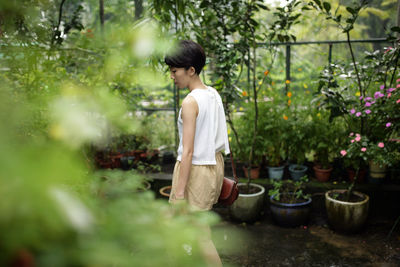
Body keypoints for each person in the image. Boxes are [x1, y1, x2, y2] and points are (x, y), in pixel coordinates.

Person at [165, 40, 230, 266]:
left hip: (194, 171)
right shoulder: (213, 94)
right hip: (213, 167)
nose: (172, 76)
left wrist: (180, 192)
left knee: (198, 234)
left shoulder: (190, 102)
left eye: (174, 71)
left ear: (191, 70)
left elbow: (189, 151)